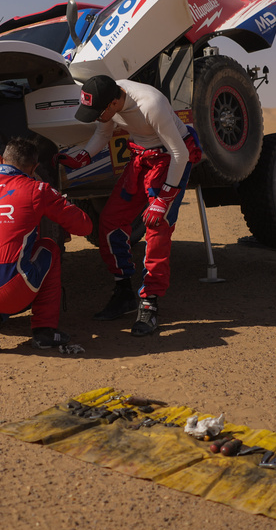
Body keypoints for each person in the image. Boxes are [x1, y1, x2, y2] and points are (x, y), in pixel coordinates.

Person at [55, 75, 202, 336]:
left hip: (170, 160)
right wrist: (85, 157)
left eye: (98, 112)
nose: (97, 116)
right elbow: (104, 131)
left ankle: (150, 303)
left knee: (157, 229)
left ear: (113, 103)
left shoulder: (150, 104)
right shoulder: (109, 98)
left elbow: (180, 153)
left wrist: (164, 198)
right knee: (110, 221)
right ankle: (123, 292)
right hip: (141, 159)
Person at [0, 137, 92, 353]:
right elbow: (85, 227)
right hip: (14, 292)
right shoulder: (37, 189)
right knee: (49, 246)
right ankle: (44, 331)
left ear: (1, 159)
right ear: (35, 167)